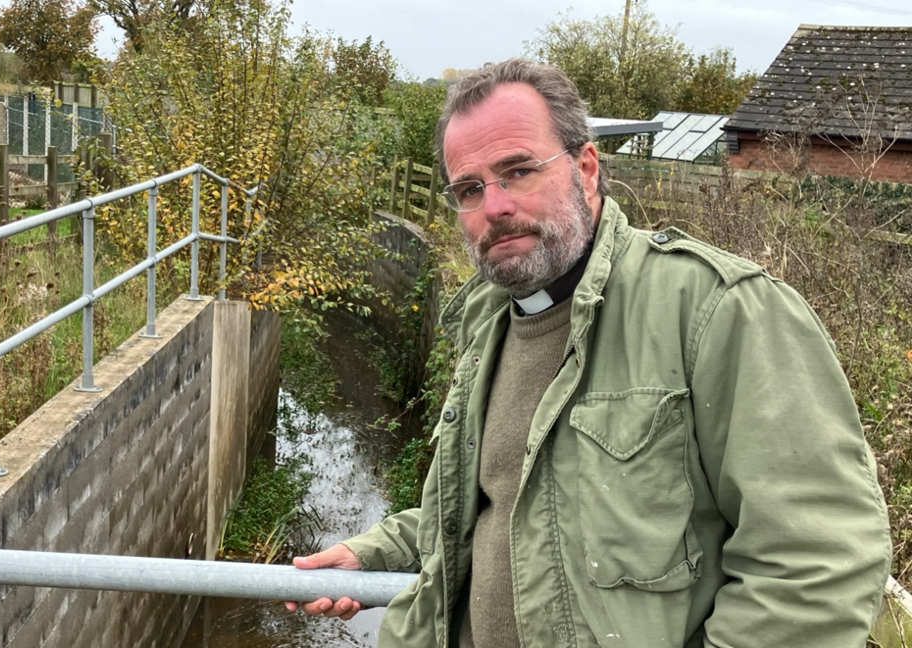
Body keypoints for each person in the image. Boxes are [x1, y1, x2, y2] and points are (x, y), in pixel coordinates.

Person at [285, 58, 892, 647]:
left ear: (587, 167)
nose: (494, 206)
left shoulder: (717, 311)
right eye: (469, 188)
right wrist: (378, 554)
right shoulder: (487, 320)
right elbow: (500, 509)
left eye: (519, 170)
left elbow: (818, 562)